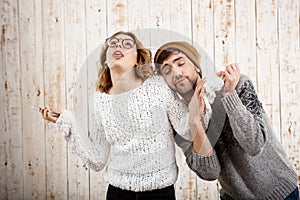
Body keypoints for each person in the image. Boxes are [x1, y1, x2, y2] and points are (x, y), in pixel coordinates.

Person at [39, 31, 206, 200]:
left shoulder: (159, 86)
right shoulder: (99, 101)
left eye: (127, 44)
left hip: (160, 192)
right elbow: (97, 160)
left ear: (138, 60)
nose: (118, 45)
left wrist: (199, 103)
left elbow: (186, 130)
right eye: (113, 43)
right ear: (105, 59)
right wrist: (67, 122)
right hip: (117, 193)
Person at [154, 41, 299, 200]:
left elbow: (255, 144)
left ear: (196, 66)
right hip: (233, 196)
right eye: (167, 70)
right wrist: (196, 122)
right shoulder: (179, 119)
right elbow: (209, 172)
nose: (176, 73)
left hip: (280, 192)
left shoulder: (237, 85)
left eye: (180, 63)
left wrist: (229, 95)